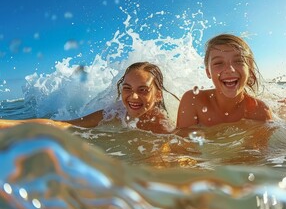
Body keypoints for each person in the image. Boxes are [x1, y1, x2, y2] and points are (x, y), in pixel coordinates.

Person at [0, 62, 176, 134]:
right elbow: (64, 124)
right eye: (127, 88)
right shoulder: (115, 112)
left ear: (158, 94)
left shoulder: (160, 124)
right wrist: (7, 124)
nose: (133, 96)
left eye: (143, 90)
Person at [176, 34, 272, 129]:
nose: (230, 69)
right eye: (218, 63)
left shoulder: (260, 111)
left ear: (250, 69)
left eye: (238, 61)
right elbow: (182, 142)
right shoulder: (193, 101)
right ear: (208, 72)